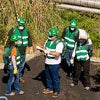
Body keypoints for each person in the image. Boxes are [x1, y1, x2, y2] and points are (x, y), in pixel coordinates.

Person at [37, 28, 63, 98]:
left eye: (51, 37)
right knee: (48, 76)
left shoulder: (59, 43)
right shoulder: (48, 40)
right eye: (49, 36)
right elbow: (45, 47)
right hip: (47, 62)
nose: (49, 37)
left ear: (55, 36)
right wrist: (41, 49)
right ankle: (49, 88)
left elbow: (57, 54)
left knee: (55, 78)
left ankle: (56, 91)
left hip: (55, 63)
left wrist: (48, 52)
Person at [5, 17, 33, 83]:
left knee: (21, 65)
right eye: (20, 25)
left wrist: (30, 46)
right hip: (15, 51)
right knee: (14, 64)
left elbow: (29, 38)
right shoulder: (13, 30)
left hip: (23, 51)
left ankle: (19, 77)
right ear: (18, 24)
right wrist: (7, 48)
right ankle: (13, 77)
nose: (21, 26)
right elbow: (8, 39)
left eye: (22, 25)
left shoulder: (26, 30)